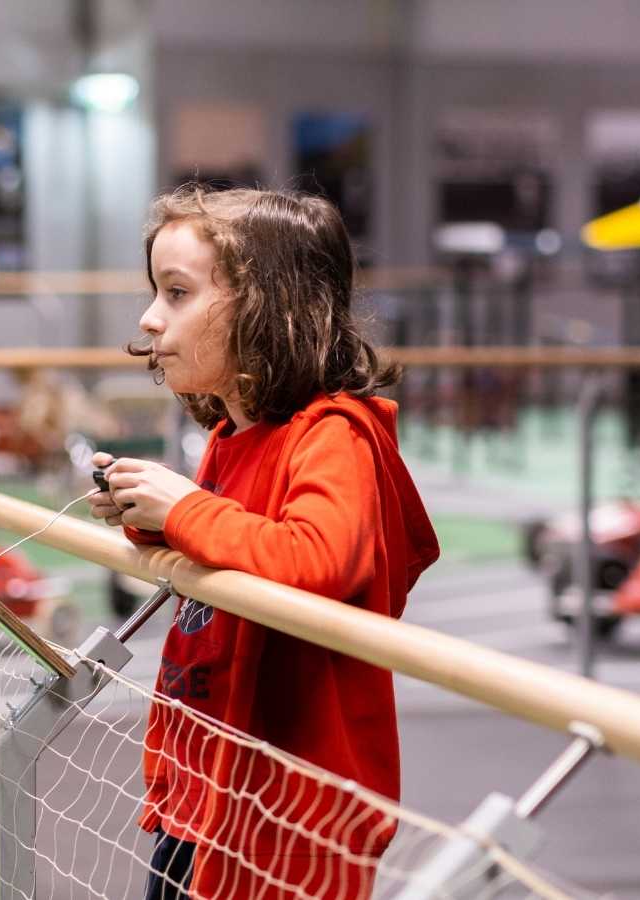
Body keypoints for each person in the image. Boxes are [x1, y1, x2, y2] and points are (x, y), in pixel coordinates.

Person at [88, 186, 440, 899]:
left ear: (266, 306)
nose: (150, 319)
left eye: (177, 293)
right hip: (209, 791)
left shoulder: (335, 436)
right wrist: (148, 514)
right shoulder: (231, 437)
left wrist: (182, 508)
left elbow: (314, 560)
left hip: (284, 819)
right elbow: (226, 545)